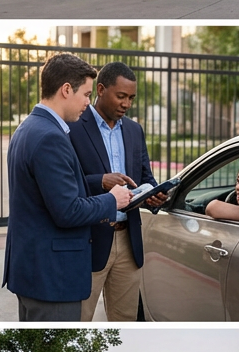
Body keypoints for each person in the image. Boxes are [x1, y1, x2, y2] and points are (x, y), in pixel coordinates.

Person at [3, 53, 133, 321]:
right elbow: (68, 211)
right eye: (86, 94)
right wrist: (113, 200)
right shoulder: (50, 137)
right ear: (65, 90)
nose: (88, 102)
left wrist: (99, 184)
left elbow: (49, 193)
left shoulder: (28, 128)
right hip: (53, 278)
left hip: (33, 271)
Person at [68, 62, 168, 321]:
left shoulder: (134, 130)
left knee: (125, 322)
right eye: (121, 96)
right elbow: (66, 183)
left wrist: (154, 196)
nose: (126, 104)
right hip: (89, 240)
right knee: (78, 321)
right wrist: (100, 181)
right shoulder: (73, 126)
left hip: (128, 241)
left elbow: (145, 177)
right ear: (101, 89)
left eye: (131, 98)